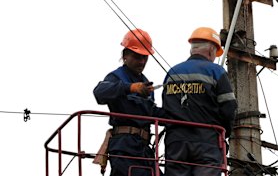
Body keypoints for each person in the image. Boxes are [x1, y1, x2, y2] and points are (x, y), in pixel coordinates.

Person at [162, 27, 237, 176]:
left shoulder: (172, 73)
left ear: (192, 50)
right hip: (207, 142)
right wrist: (225, 132)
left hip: (175, 142)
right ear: (211, 50)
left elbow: (166, 107)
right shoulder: (216, 71)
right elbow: (229, 107)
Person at [93, 28, 165, 176]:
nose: (142, 61)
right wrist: (130, 88)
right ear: (125, 55)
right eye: (138, 56)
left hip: (144, 149)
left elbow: (151, 113)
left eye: (145, 57)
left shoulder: (144, 83)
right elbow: (99, 93)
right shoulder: (116, 77)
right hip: (124, 146)